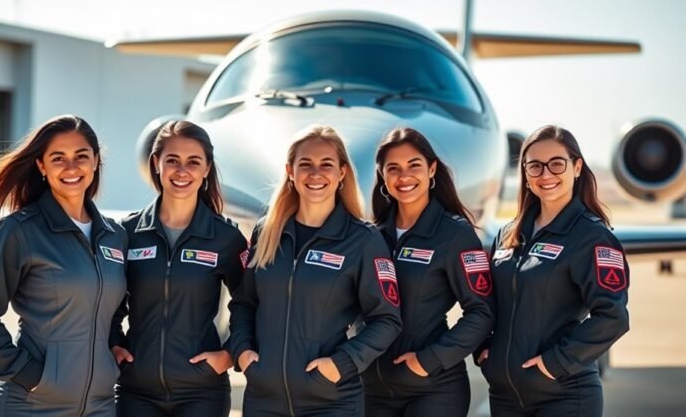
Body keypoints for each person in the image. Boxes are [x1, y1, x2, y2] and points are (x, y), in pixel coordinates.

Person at [228, 124, 403, 416]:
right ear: (290, 171)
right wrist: (244, 354)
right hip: (264, 400)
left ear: (342, 172)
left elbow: (386, 320)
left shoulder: (363, 240)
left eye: (326, 165)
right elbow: (244, 303)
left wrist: (340, 365)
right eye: (305, 164)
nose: (315, 173)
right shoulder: (267, 233)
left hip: (330, 401)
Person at [0, 115, 127, 416]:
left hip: (99, 405)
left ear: (95, 162)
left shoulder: (115, 236)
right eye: (58, 158)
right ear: (41, 166)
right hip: (32, 403)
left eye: (81, 156)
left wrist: (114, 345)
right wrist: (28, 375)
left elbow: (111, 309)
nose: (71, 167)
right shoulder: (18, 232)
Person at [479, 125, 630, 417]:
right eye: (534, 166)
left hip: (564, 396)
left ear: (577, 167)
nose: (546, 174)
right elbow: (492, 302)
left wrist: (555, 363)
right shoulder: (508, 234)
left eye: (556, 164)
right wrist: (486, 347)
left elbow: (613, 317)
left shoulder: (592, 236)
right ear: (524, 173)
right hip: (506, 398)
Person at [110, 120, 247, 417]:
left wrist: (229, 353)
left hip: (202, 394)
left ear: (207, 168)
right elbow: (106, 297)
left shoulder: (227, 238)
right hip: (135, 392)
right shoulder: (127, 233)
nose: (182, 170)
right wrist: (113, 343)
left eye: (193, 162)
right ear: (155, 164)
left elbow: (251, 301)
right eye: (172, 160)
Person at [362, 127, 495, 416]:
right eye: (393, 168)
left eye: (414, 165)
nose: (404, 176)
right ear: (382, 175)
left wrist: (429, 360)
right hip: (372, 391)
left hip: (433, 388)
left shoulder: (455, 234)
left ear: (432, 169)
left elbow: (481, 311)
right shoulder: (371, 237)